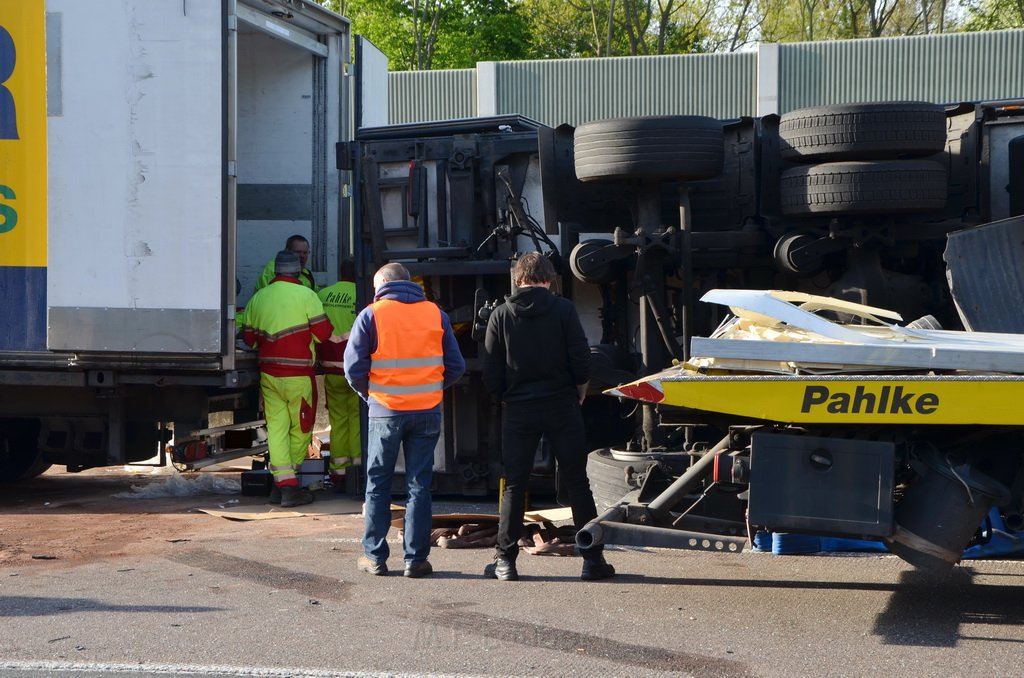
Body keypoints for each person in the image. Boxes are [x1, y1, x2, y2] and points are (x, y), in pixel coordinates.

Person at [481, 252, 615, 582]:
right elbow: (582, 358)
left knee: (515, 485)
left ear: (517, 280)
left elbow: (490, 370)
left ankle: (505, 562)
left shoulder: (500, 315)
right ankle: (592, 560)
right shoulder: (564, 310)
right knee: (577, 482)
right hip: (562, 406)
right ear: (549, 279)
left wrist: (505, 397)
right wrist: (580, 389)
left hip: (519, 410)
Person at [344, 263, 466, 578]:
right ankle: (416, 560)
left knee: (378, 484)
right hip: (427, 411)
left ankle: (375, 558)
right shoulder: (435, 314)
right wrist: (431, 390)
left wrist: (371, 395)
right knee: (418, 486)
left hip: (385, 411)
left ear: (382, 285)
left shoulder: (371, 314)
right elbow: (455, 366)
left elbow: (353, 369)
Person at [241, 250, 333, 508]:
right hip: (298, 376)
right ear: (297, 272)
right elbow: (324, 334)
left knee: (277, 430)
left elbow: (249, 339)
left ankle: (281, 485)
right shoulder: (307, 295)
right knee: (302, 429)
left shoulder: (258, 298)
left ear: (276, 270)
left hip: (269, 376)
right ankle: (289, 487)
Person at [317, 259, 360, 486]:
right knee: (357, 419)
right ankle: (357, 469)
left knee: (338, 420)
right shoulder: (364, 294)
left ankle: (339, 473)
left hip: (330, 370)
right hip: (356, 371)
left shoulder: (324, 295)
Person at [253, 235, 318, 294]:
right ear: (287, 251)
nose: (302, 256)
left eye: (305, 252)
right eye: (298, 252)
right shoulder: (273, 269)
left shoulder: (307, 275)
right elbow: (269, 296)